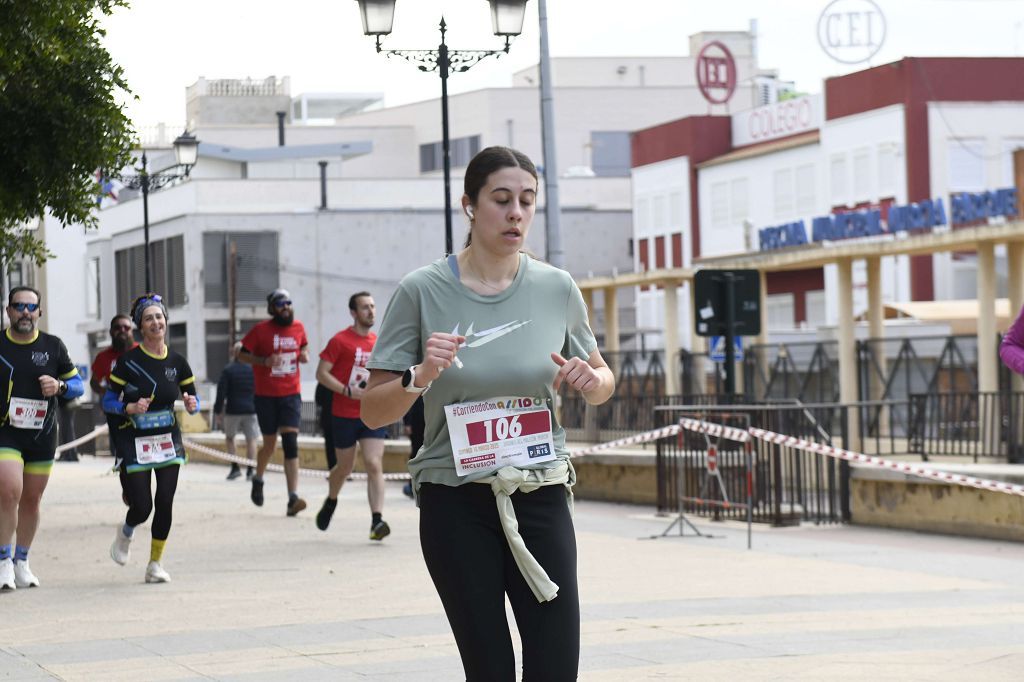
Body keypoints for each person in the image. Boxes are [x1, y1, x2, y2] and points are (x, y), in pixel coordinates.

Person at [361, 146, 615, 680]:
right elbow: (371, 410)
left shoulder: (556, 287)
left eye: (527, 200)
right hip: (456, 501)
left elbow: (602, 380)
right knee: (490, 669)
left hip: (540, 491)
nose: (516, 212)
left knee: (555, 666)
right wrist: (419, 375)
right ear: (470, 206)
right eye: (501, 199)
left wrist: (592, 382)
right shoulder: (421, 290)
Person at [103, 293, 199, 584]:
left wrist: (192, 404)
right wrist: (129, 407)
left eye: (159, 316)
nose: (156, 322)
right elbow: (108, 400)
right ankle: (126, 532)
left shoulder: (178, 362)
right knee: (143, 507)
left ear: (166, 321)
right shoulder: (128, 362)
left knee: (165, 501)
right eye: (148, 319)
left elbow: (193, 398)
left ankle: (155, 564)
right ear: (140, 326)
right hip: (135, 440)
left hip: (167, 439)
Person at [0, 286, 85, 590]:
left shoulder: (53, 346)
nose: (25, 312)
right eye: (18, 306)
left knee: (32, 499)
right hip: (6, 431)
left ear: (39, 312)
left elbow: (78, 385)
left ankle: (21, 561)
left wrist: (60, 387)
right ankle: (3, 561)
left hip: (42, 433)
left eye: (30, 307)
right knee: (8, 490)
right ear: (8, 311)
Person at [314, 292, 391, 540]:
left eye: (373, 306)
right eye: (365, 307)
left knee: (373, 463)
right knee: (345, 467)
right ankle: (331, 499)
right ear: (353, 313)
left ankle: (377, 521)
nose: (371, 311)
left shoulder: (378, 343)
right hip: (344, 414)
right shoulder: (340, 341)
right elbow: (321, 373)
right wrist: (346, 390)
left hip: (371, 413)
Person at [238, 289, 309, 516]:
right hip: (266, 395)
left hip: (291, 394)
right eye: (280, 304)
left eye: (288, 302)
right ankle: (258, 479)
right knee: (269, 445)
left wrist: (304, 354)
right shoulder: (260, 330)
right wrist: (264, 361)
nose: (285, 307)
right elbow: (241, 354)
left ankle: (293, 498)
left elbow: (304, 345)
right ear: (272, 308)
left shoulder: (298, 327)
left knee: (290, 443)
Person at [90, 314, 137, 503]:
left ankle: (141, 493)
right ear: (111, 332)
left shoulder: (141, 351)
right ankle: (128, 491)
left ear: (132, 331)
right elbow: (94, 382)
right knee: (122, 454)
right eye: (118, 328)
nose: (122, 331)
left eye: (126, 327)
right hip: (117, 414)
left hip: (141, 412)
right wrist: (107, 393)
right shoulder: (103, 357)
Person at [214, 342, 257, 481]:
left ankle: (235, 468)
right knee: (251, 439)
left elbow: (221, 392)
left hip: (233, 411)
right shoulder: (253, 370)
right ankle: (250, 470)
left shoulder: (228, 370)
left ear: (235, 353)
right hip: (251, 410)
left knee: (230, 438)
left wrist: (218, 411)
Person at [401, 397, 424, 499]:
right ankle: (413, 486)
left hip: (427, 420)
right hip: (417, 420)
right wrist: (407, 422)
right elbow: (409, 397)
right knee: (416, 454)